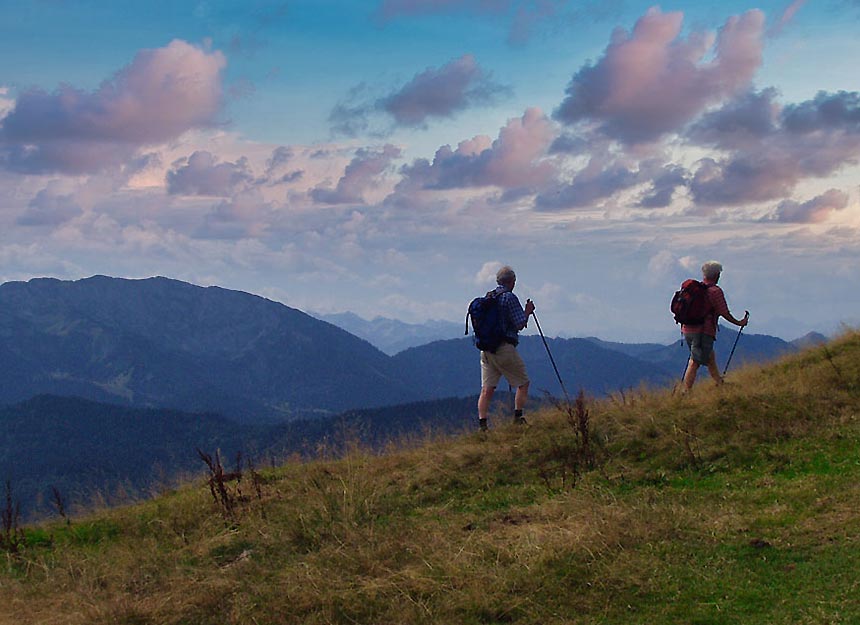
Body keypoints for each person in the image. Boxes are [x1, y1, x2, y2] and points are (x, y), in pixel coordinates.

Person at [477, 266, 535, 431]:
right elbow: (519, 324)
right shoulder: (509, 298)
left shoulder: (489, 297)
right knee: (523, 383)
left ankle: (483, 426)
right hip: (504, 349)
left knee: (487, 389)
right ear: (511, 281)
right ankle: (518, 417)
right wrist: (527, 312)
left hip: (486, 350)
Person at [682, 260, 749, 390]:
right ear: (717, 275)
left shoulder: (695, 289)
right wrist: (739, 322)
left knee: (710, 356)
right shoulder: (715, 291)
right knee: (695, 361)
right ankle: (686, 391)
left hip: (687, 329)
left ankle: (719, 383)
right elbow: (724, 312)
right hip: (703, 331)